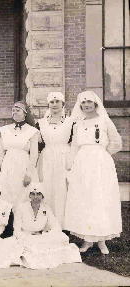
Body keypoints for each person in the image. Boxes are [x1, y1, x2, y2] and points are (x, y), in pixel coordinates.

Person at [64, 91, 122, 255]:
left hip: (100, 165)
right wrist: (71, 165)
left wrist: (103, 155)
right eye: (83, 102)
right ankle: (88, 240)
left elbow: (116, 141)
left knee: (100, 198)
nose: (86, 105)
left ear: (95, 103)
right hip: (82, 164)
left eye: (89, 102)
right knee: (85, 199)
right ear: (80, 105)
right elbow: (74, 146)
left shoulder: (104, 120)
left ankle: (102, 240)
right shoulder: (78, 124)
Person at [14, 182, 81, 269]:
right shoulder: (21, 208)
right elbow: (17, 230)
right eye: (33, 194)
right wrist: (26, 238)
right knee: (30, 244)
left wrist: (48, 234)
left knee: (63, 237)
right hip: (26, 236)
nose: (35, 197)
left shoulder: (46, 208)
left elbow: (56, 226)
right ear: (29, 196)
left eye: (38, 194)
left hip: (41, 236)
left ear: (42, 196)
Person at [36, 92, 74, 228]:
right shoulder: (40, 123)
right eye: (52, 102)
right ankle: (47, 223)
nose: (54, 104)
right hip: (47, 158)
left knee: (62, 189)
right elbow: (38, 145)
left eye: (57, 101)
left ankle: (63, 225)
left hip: (64, 157)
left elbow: (74, 142)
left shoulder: (70, 122)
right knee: (47, 188)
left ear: (63, 104)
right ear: (48, 104)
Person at [0, 101, 39, 207]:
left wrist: (29, 174)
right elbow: (0, 152)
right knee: (7, 193)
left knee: (22, 194)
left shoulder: (32, 131)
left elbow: (34, 155)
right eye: (13, 110)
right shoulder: (5, 130)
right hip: (8, 165)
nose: (15, 112)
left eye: (18, 110)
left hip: (23, 165)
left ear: (25, 113)